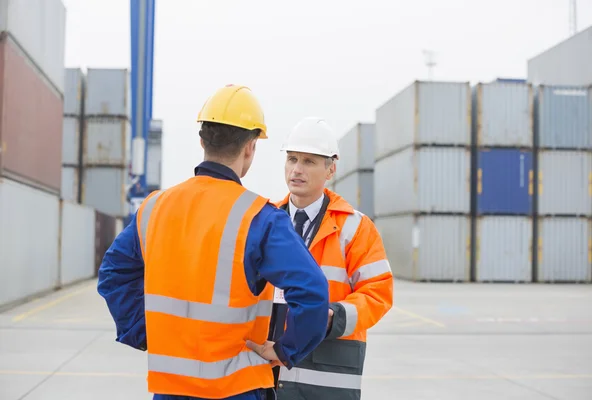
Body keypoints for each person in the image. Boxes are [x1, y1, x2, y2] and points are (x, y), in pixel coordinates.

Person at [97, 86, 331, 400]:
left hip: (171, 388)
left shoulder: (154, 208)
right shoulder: (260, 217)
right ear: (250, 147)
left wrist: (143, 331)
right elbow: (313, 291)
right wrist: (286, 351)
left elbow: (113, 274)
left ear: (202, 141)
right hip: (238, 388)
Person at [269, 117, 394, 400]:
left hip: (327, 376)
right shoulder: (266, 221)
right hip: (269, 368)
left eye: (309, 162)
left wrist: (332, 317)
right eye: (292, 159)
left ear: (331, 169)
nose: (296, 170)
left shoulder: (355, 228)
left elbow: (378, 294)